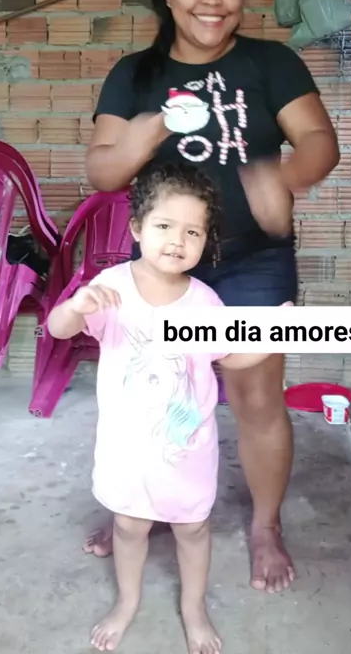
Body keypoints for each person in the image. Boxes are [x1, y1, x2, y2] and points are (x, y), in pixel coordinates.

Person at [84, 0, 340, 594]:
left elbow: (320, 141)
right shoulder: (135, 75)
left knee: (256, 396)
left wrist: (284, 177)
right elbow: (103, 170)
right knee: (150, 392)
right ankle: (138, 509)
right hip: (163, 268)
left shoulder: (271, 63)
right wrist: (141, 140)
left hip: (255, 259)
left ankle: (265, 526)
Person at [49, 163, 284, 653]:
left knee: (192, 529)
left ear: (205, 241)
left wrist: (275, 333)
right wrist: (75, 307)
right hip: (127, 451)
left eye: (193, 232)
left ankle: (193, 608)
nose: (178, 240)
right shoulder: (110, 288)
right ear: (137, 228)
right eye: (164, 226)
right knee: (129, 526)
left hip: (186, 451)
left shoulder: (205, 303)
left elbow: (231, 355)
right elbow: (58, 328)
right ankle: (127, 602)